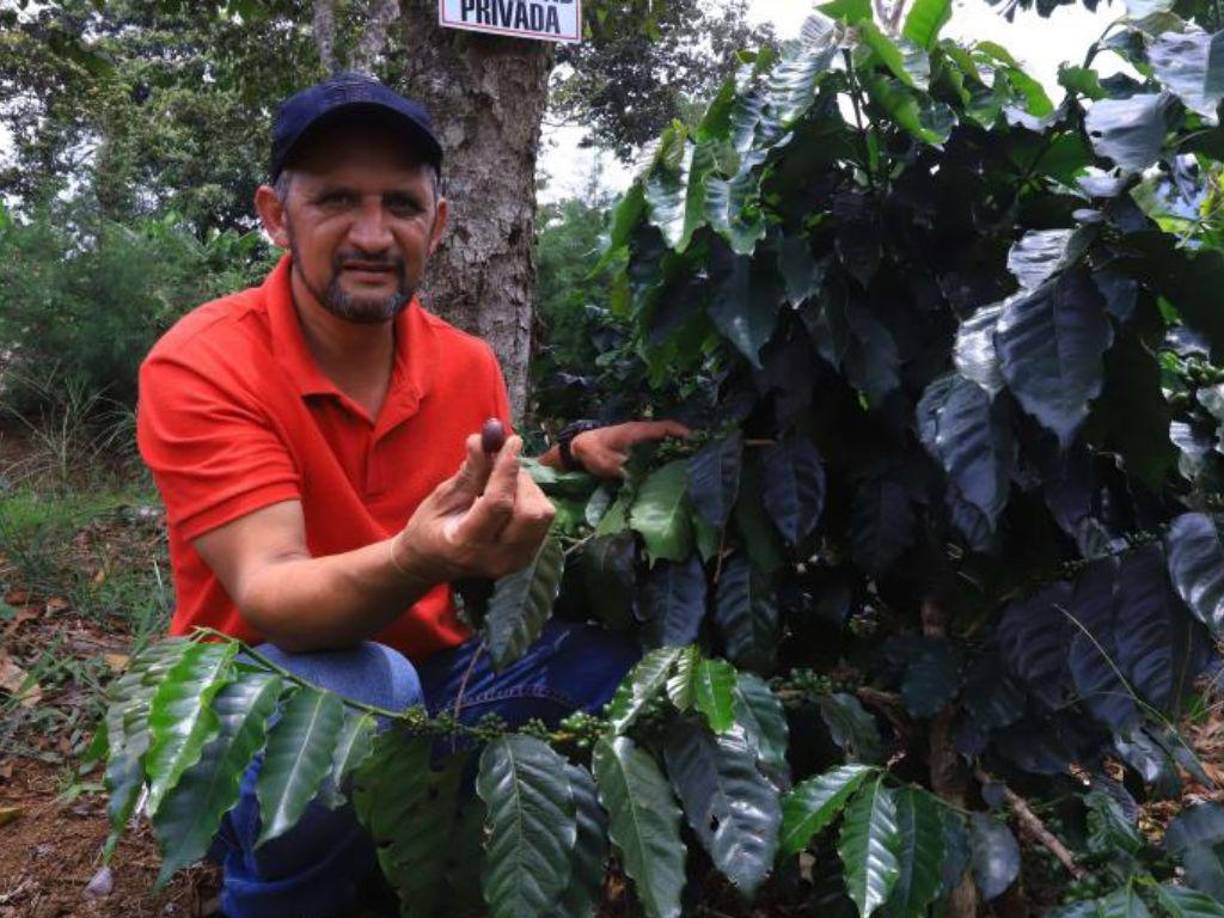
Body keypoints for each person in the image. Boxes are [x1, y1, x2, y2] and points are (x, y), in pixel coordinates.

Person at [135, 72, 688, 917]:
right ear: (276, 215)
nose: (371, 233)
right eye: (335, 201)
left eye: (399, 204)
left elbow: (471, 487)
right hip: (259, 717)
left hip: (431, 684)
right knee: (365, 681)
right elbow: (271, 593)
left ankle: (405, 839)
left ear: (437, 223)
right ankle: (276, 894)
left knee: (612, 669)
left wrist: (569, 458)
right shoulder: (206, 362)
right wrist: (416, 556)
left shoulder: (466, 364)